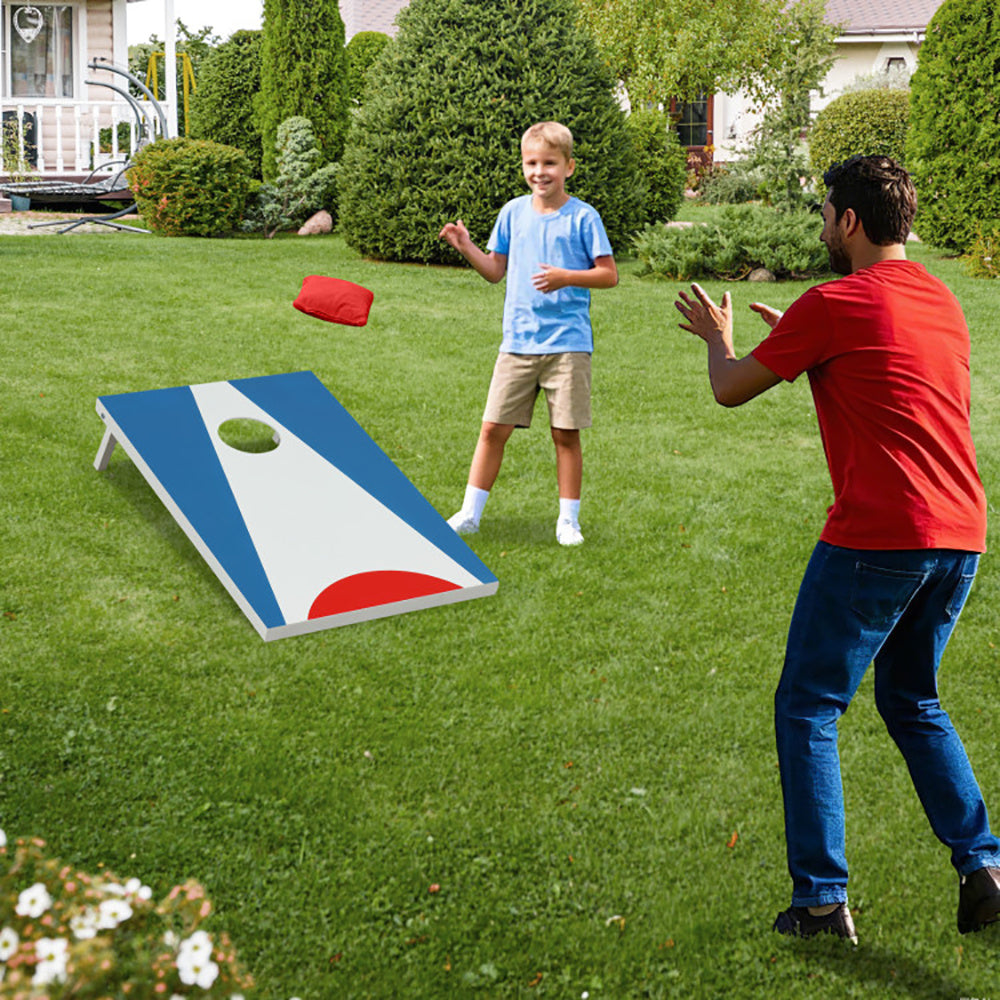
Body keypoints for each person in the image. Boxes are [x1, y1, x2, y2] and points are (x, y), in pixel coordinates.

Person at [674, 155, 1000, 942]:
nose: (822, 226)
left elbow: (729, 388)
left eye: (825, 214)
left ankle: (821, 902)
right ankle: (985, 869)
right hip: (960, 534)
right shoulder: (942, 299)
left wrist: (719, 339)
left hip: (879, 537)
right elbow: (886, 374)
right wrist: (800, 341)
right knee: (911, 698)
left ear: (849, 221)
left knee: (809, 705)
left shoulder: (831, 303)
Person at [438, 121, 618, 546]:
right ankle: (469, 514)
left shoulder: (583, 217)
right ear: (523, 167)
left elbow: (608, 275)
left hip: (568, 346)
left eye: (550, 163)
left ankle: (568, 521)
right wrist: (466, 247)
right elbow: (495, 272)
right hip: (517, 344)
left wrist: (565, 277)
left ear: (569, 167)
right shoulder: (512, 213)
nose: (540, 172)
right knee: (491, 429)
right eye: (532, 163)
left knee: (565, 434)